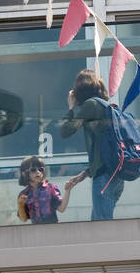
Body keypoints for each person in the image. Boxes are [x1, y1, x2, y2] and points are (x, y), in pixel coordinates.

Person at [59, 69, 122, 220]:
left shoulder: (91, 105)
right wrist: (86, 173)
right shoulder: (104, 106)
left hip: (104, 176)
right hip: (116, 175)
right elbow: (103, 149)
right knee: (98, 224)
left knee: (102, 229)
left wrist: (71, 108)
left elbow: (66, 131)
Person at [16, 155, 73, 224]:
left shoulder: (51, 188)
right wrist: (20, 205)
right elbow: (23, 219)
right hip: (36, 230)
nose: (38, 172)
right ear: (24, 173)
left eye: (41, 169)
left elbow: (61, 208)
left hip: (53, 228)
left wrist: (68, 190)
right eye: (33, 170)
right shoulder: (24, 194)